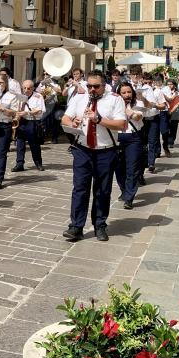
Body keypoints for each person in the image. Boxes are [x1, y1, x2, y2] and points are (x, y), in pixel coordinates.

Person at [61, 71, 127, 242]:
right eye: (89, 86)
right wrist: (72, 122)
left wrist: (99, 119)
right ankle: (76, 226)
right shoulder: (80, 98)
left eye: (96, 86)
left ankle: (100, 225)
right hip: (83, 149)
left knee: (102, 190)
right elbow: (65, 118)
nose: (92, 89)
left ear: (104, 86)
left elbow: (122, 124)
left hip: (105, 151)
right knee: (80, 188)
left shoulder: (114, 99)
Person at [115, 82, 145, 209]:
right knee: (118, 168)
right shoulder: (114, 105)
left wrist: (129, 112)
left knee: (132, 169)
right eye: (123, 93)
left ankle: (129, 198)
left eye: (129, 92)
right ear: (119, 94)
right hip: (118, 138)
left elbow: (138, 117)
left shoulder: (138, 103)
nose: (127, 95)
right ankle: (124, 190)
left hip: (133, 139)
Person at [12, 79, 45, 172]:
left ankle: (38, 163)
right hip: (21, 122)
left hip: (32, 122)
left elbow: (39, 110)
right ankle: (19, 164)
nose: (26, 90)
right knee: (20, 143)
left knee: (34, 144)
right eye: (24, 88)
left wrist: (27, 112)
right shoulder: (19, 97)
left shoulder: (38, 96)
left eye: (29, 88)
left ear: (33, 88)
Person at [163, 79, 179, 148]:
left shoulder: (178, 94)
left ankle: (171, 142)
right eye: (168, 84)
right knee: (166, 128)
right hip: (166, 113)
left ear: (174, 85)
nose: (169, 86)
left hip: (174, 114)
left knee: (173, 129)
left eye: (171, 84)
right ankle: (166, 141)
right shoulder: (164, 93)